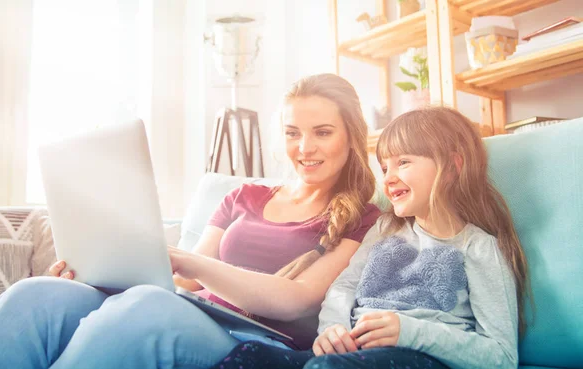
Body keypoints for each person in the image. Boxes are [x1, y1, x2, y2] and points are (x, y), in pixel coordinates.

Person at [0, 73, 381, 369]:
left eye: (323, 133)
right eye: (293, 133)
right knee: (35, 296)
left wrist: (184, 260)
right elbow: (180, 284)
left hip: (255, 338)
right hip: (190, 308)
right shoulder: (244, 196)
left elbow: (295, 301)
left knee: (147, 307)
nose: (305, 147)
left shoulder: (364, 217)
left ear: (351, 135)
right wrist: (97, 271)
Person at [209, 106, 530, 369]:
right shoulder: (384, 229)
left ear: (452, 166)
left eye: (403, 163)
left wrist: (409, 332)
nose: (388, 179)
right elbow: (344, 287)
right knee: (251, 356)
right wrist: (331, 330)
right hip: (352, 353)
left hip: (423, 358)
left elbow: (501, 357)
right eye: (384, 167)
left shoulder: (478, 247)